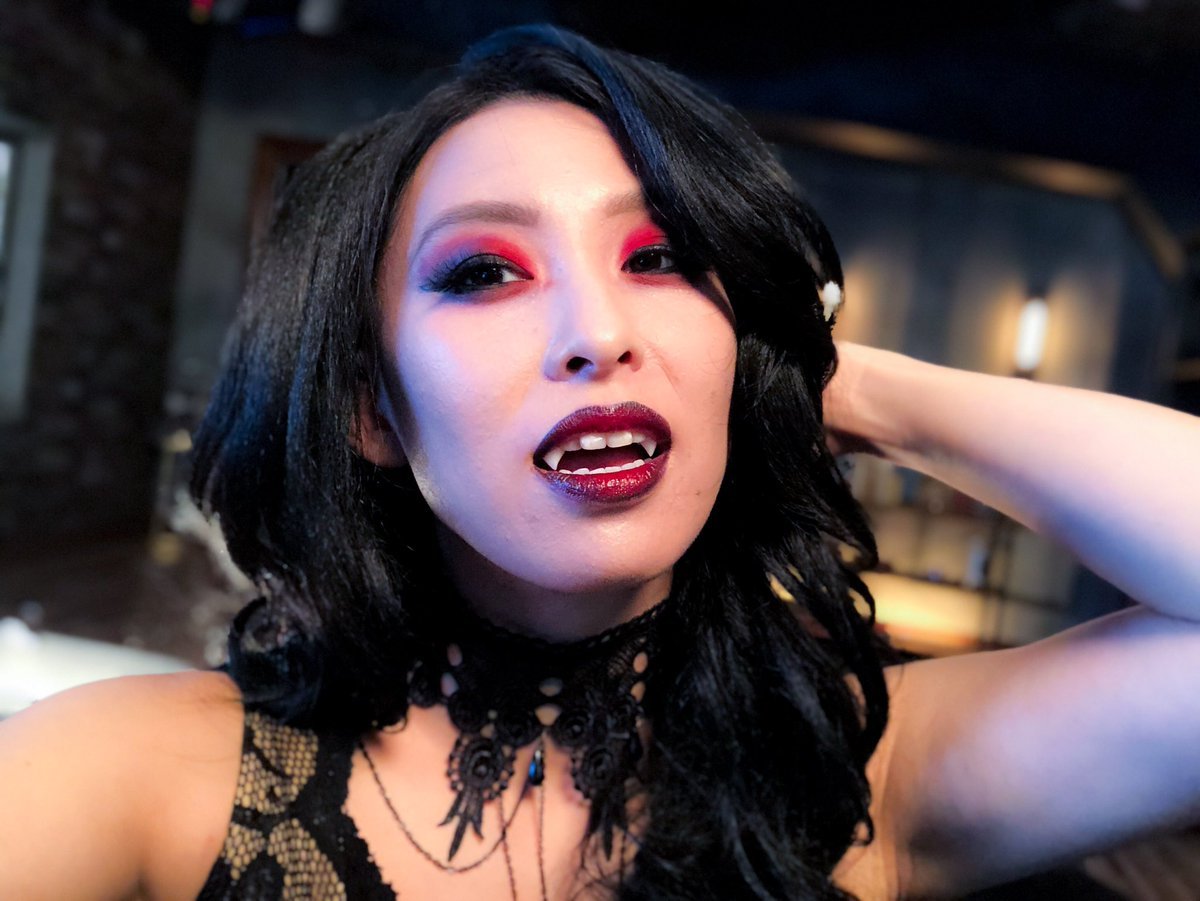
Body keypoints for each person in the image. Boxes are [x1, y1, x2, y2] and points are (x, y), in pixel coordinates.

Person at [1, 23, 1198, 901]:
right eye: (484, 271)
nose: (598, 330)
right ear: (371, 407)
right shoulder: (129, 771)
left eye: (662, 258)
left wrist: (836, 382)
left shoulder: (866, 773)